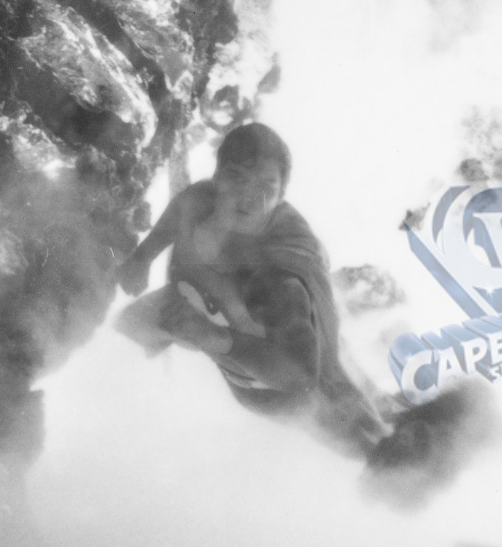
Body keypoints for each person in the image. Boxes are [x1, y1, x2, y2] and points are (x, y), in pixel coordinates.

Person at [114, 122, 388, 458]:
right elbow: (180, 211)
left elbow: (301, 375)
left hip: (276, 387)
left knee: (364, 439)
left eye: (265, 187)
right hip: (210, 319)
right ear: (217, 177)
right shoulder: (200, 200)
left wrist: (212, 337)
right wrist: (142, 257)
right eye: (237, 177)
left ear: (280, 196)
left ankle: (395, 440)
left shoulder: (280, 275)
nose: (248, 197)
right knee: (122, 330)